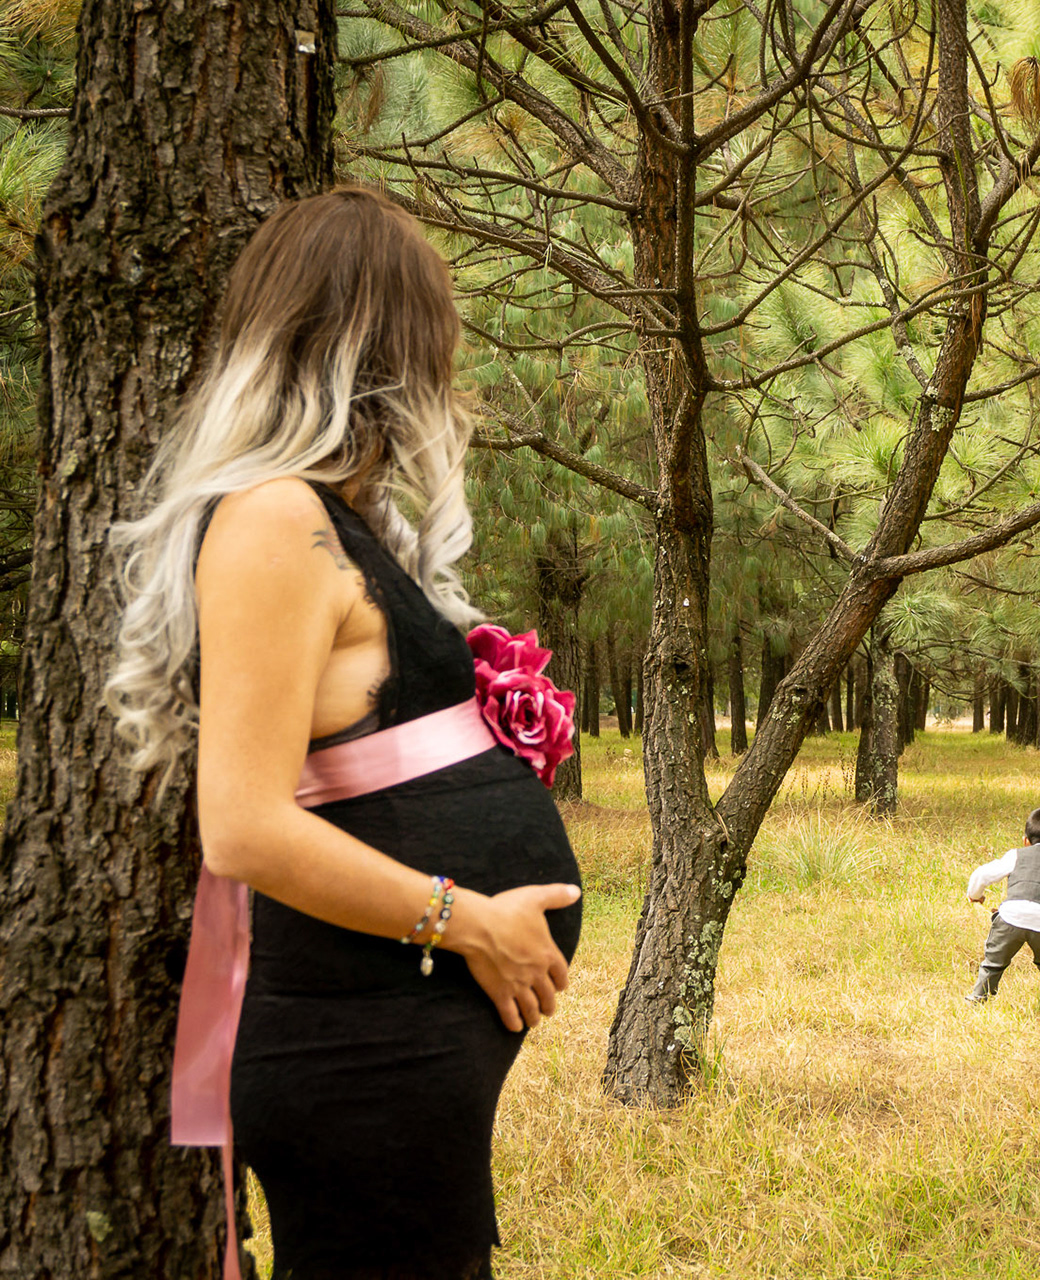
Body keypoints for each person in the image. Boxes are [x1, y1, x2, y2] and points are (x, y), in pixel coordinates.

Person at [106, 188, 582, 1279]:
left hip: (394, 1050)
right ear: (378, 345)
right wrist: (468, 922)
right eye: (433, 340)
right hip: (354, 1049)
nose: (444, 378)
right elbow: (241, 828)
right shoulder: (277, 520)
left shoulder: (339, 520)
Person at [964, 807, 1040, 1016]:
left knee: (994, 962)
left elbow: (982, 874)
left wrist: (975, 895)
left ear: (1025, 840)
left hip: (1010, 917)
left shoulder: (1016, 855)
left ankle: (978, 997)